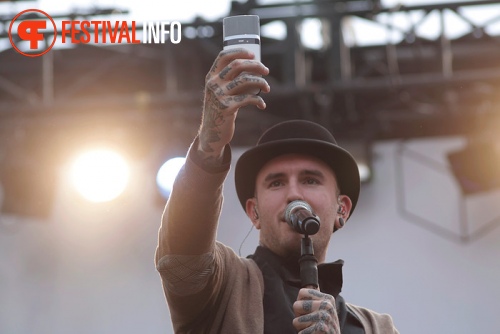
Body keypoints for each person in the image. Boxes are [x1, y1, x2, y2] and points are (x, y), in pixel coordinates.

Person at [155, 48, 398, 333]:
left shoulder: (376, 328)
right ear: (254, 212)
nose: (294, 193)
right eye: (276, 182)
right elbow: (182, 254)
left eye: (310, 180)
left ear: (341, 209)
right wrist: (210, 140)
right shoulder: (222, 287)